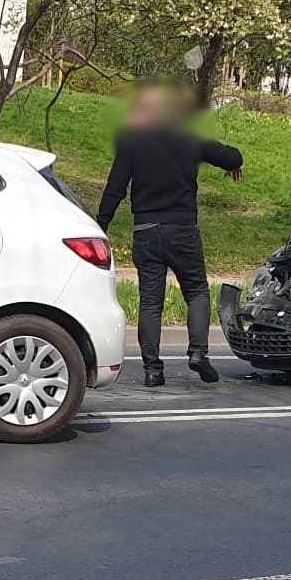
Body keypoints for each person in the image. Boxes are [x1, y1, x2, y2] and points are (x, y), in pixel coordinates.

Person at [96, 86, 243, 386]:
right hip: (183, 230)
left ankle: (152, 370)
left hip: (146, 231)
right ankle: (199, 352)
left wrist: (102, 225)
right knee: (198, 291)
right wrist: (235, 165)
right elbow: (231, 155)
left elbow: (115, 187)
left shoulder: (133, 143)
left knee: (151, 303)